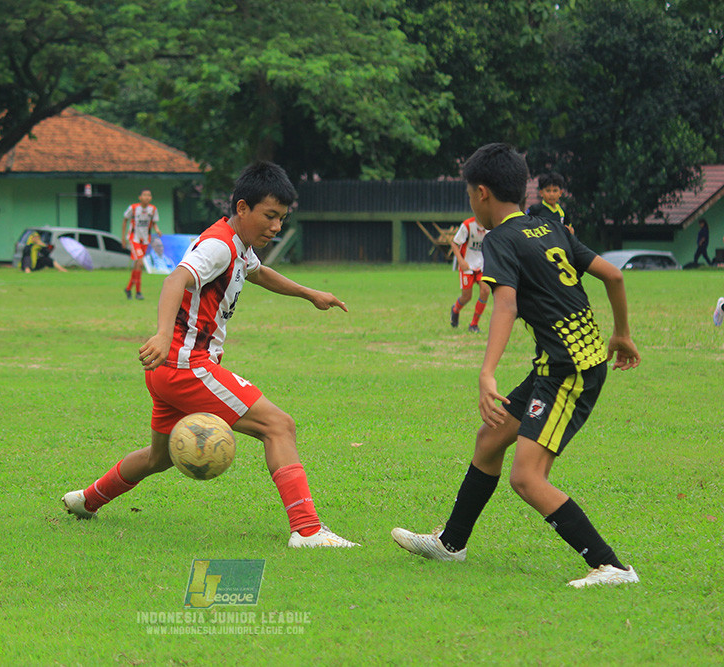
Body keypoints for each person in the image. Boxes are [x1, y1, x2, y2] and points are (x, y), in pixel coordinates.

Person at [63, 161, 357, 548]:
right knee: (279, 426)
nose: (275, 226)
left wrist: (310, 294)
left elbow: (259, 273)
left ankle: (86, 500)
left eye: (281, 219)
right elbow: (176, 278)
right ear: (241, 208)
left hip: (167, 372)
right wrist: (164, 334)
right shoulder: (219, 245)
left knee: (159, 457)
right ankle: (307, 530)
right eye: (269, 216)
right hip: (187, 366)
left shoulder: (239, 244)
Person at [392, 143, 641, 588]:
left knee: (526, 477)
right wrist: (621, 332)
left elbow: (504, 302)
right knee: (490, 438)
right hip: (559, 362)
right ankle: (451, 544)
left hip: (570, 369)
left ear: (482, 193)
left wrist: (487, 372)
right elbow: (614, 275)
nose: (471, 202)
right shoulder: (549, 223)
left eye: (470, 195)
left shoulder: (501, 239)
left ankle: (613, 567)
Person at [449, 216, 490, 333]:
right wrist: (461, 261)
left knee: (485, 291)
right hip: (467, 266)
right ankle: (456, 309)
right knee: (467, 296)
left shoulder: (490, 225)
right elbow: (454, 243)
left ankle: (474, 325)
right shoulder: (467, 225)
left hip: (482, 266)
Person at [122, 189, 162, 300]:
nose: (147, 197)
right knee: (140, 263)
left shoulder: (153, 209)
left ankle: (129, 288)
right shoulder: (133, 208)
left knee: (137, 265)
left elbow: (154, 223)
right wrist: (123, 238)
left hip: (145, 240)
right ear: (140, 197)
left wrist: (157, 230)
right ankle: (138, 291)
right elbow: (125, 220)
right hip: (134, 239)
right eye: (144, 195)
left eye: (149, 195)